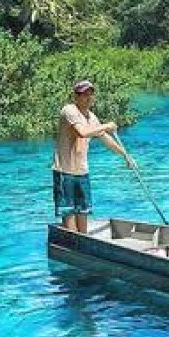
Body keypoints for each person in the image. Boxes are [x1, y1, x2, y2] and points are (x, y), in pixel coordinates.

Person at [53, 79, 135, 232]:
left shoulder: (92, 117)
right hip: (64, 172)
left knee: (83, 212)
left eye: (91, 94)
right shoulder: (69, 110)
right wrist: (106, 126)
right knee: (69, 213)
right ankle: (72, 243)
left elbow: (106, 139)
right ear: (76, 96)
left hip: (82, 172)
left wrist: (125, 155)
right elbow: (82, 132)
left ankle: (84, 243)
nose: (88, 97)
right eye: (84, 94)